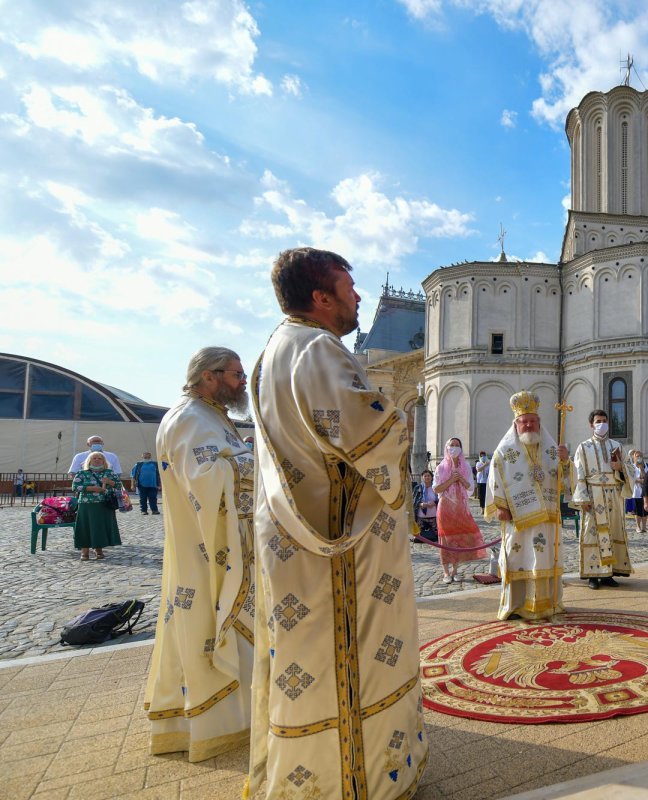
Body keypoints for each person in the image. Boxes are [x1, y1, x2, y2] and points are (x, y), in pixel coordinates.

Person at [249, 247, 427, 798]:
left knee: (307, 657)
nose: (357, 297)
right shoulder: (319, 350)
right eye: (349, 288)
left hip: (293, 538)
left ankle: (311, 771)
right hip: (340, 545)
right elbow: (369, 435)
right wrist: (401, 418)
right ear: (320, 298)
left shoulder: (273, 351)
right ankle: (359, 778)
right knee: (349, 654)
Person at [145, 347, 255, 762]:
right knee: (205, 623)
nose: (243, 381)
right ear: (209, 376)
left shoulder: (211, 415)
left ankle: (237, 717)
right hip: (206, 550)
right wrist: (259, 462)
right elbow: (207, 481)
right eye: (236, 374)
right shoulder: (189, 418)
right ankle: (212, 724)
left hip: (219, 547)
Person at [486, 391, 571, 620]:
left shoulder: (552, 448)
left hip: (546, 518)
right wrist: (500, 505)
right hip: (518, 518)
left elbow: (563, 481)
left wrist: (565, 461)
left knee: (544, 559)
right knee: (517, 560)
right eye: (524, 422)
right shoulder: (504, 451)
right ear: (516, 424)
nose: (528, 425)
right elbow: (495, 477)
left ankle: (547, 604)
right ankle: (515, 606)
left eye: (533, 421)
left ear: (539, 423)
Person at [572, 409, 633, 590]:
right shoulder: (583, 447)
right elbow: (578, 473)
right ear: (591, 425)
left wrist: (620, 466)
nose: (602, 424)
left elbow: (630, 469)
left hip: (613, 495)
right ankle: (593, 575)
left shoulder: (617, 446)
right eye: (598, 421)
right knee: (592, 533)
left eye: (605, 420)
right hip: (593, 494)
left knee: (613, 531)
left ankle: (609, 573)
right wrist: (583, 498)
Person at [433, 437, 489, 584]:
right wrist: (451, 479)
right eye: (452, 445)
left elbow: (471, 487)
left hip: (460, 507)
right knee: (445, 540)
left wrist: (461, 479)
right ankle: (446, 572)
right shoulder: (441, 467)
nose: (454, 447)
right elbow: (436, 488)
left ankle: (455, 570)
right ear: (447, 447)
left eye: (457, 445)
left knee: (457, 538)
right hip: (445, 507)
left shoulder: (465, 466)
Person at [71, 451, 121, 560]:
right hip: (86, 504)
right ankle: (84, 551)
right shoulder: (82, 473)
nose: (97, 460)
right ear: (89, 460)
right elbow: (75, 487)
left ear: (104, 461)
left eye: (100, 458)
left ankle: (98, 549)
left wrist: (110, 482)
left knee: (99, 528)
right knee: (85, 527)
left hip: (104, 504)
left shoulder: (109, 472)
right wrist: (92, 488)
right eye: (94, 458)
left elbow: (119, 485)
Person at [413, 469, 438, 541]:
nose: (427, 477)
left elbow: (441, 499)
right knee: (419, 537)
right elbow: (414, 501)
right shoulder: (418, 488)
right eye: (425, 476)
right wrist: (420, 504)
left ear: (432, 477)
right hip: (421, 516)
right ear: (422, 477)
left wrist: (435, 502)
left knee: (434, 537)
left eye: (428, 476)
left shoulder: (436, 488)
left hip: (434, 516)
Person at [629, 449, 648, 534]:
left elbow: (647, 477)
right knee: (637, 511)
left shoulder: (647, 465)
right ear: (634, 458)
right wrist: (639, 480)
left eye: (640, 456)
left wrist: (642, 468)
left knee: (645, 510)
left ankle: (644, 526)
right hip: (636, 491)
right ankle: (638, 526)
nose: (639, 457)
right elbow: (630, 477)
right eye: (637, 456)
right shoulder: (631, 467)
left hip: (645, 491)